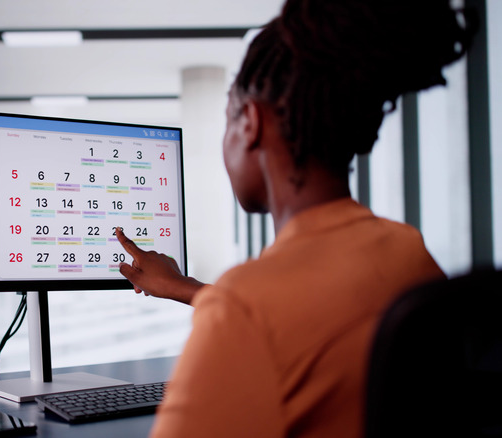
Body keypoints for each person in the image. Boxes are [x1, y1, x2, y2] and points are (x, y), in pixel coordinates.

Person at [115, 1, 473, 436]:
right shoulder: (407, 250)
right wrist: (186, 288)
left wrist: (223, 306)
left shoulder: (245, 310)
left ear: (250, 123)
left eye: (227, 118)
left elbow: (264, 321)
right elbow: (306, 319)